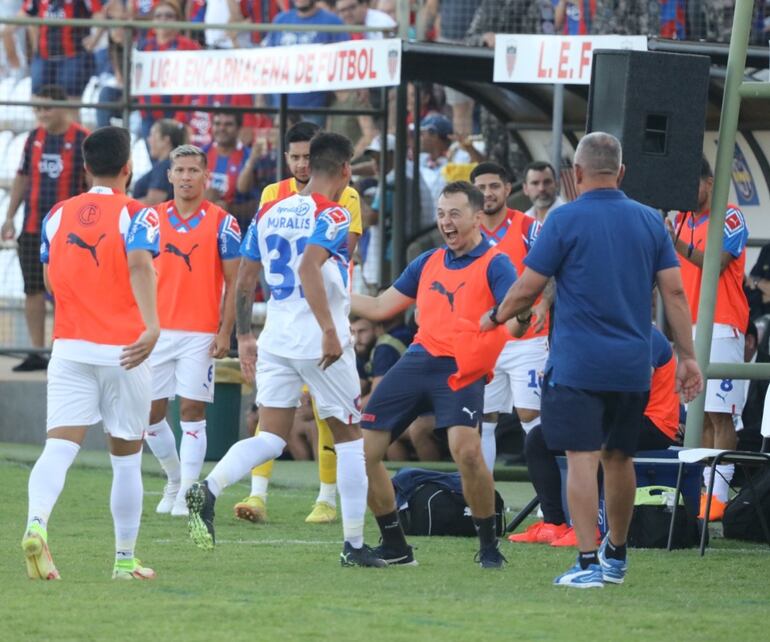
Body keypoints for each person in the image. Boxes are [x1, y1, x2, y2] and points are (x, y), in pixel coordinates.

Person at [482, 132, 702, 588]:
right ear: (621, 172)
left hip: (578, 366)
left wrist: (494, 316)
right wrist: (689, 358)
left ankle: (586, 563)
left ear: (576, 174)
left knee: (582, 459)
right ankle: (616, 557)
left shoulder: (563, 221)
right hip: (631, 366)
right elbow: (675, 293)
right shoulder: (649, 221)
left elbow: (528, 287)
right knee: (620, 459)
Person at [186, 132, 386, 567]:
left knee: (272, 435)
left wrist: (244, 336)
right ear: (345, 171)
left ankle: (209, 487)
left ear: (308, 166)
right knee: (351, 438)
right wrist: (331, 332)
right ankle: (353, 545)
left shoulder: (269, 211)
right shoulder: (332, 213)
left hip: (275, 333)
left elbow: (243, 280)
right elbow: (310, 268)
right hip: (318, 339)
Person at [352, 181, 520, 569]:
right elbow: (379, 306)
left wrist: (522, 317)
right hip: (418, 359)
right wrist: (328, 295)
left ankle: (489, 544)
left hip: (460, 367)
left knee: (468, 452)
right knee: (362, 455)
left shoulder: (496, 263)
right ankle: (395, 545)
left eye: (454, 214)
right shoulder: (428, 260)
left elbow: (514, 309)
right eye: (441, 214)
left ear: (477, 217)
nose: (446, 222)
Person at [21, 126, 160, 580]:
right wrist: (153, 324)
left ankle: (36, 524)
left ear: (84, 168)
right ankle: (124, 560)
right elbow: (140, 265)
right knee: (126, 458)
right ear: (129, 168)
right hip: (126, 351)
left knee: (58, 448)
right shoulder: (139, 214)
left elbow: (50, 275)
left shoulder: (58, 214)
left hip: (70, 346)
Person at [234, 120, 363, 526]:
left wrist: (241, 333)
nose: (302, 163)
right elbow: (319, 260)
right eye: (295, 156)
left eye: (308, 156)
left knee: (287, 420)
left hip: (293, 323)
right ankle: (263, 497)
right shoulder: (279, 196)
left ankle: (323, 498)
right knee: (339, 424)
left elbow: (343, 256)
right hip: (313, 324)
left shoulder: (286, 204)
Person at [510, 325, 683, 547]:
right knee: (539, 438)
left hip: (654, 423)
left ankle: (589, 529)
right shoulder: (606, 333)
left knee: (595, 440)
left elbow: (635, 385)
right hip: (616, 416)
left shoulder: (646, 335)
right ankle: (553, 524)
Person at [143, 144, 242, 517]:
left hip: (200, 331)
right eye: (179, 170)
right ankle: (172, 478)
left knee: (191, 410)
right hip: (155, 331)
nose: (186, 177)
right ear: (169, 175)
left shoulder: (223, 222)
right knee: (149, 417)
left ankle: (187, 491)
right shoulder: (149, 219)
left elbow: (234, 282)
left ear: (205, 176)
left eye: (193, 171)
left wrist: (224, 331)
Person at [669, 156, 750, 521]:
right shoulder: (684, 219)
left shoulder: (730, 215)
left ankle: (719, 493)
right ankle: (702, 490)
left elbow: (715, 264)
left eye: (693, 185)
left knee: (719, 413)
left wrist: (676, 243)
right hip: (690, 324)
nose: (687, 194)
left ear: (710, 182)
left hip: (722, 322)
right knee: (696, 413)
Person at [2, 85, 89, 372]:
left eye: (46, 107)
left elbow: (92, 183)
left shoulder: (82, 139)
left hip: (70, 231)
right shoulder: (33, 138)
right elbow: (21, 178)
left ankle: (69, 347)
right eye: (37, 108)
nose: (41, 113)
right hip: (32, 227)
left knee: (69, 290)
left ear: (63, 105)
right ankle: (37, 351)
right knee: (32, 289)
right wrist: (10, 216)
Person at [471, 161, 550, 470]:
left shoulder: (530, 228)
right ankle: (484, 505)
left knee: (531, 415)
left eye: (494, 186)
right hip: (485, 339)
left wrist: (544, 304)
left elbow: (553, 270)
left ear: (507, 189)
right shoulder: (467, 230)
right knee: (484, 419)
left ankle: (549, 504)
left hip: (528, 340)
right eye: (481, 188)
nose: (488, 193)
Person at [263, 0, 349, 125]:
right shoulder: (280, 20)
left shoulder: (332, 22)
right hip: (281, 105)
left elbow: (345, 59)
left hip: (315, 106)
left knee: (312, 144)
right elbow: (265, 60)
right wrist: (261, 99)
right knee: (281, 143)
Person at [204, 111, 257, 228]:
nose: (222, 128)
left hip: (239, 231)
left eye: (228, 124)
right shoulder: (201, 155)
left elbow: (258, 205)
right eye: (217, 124)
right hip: (202, 229)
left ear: (239, 129)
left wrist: (230, 209)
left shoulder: (249, 158)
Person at [132, 119, 187, 205]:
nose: (149, 140)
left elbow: (153, 202)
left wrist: (125, 205)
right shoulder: (170, 164)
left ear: (166, 140)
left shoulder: (165, 166)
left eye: (152, 135)